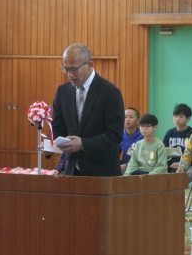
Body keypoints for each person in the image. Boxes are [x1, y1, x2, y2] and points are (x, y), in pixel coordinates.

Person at [52, 43, 125, 176]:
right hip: (72, 171)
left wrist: (83, 144)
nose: (69, 74)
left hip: (102, 173)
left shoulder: (110, 92)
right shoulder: (62, 92)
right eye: (65, 69)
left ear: (90, 65)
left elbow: (115, 136)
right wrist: (55, 144)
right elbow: (58, 127)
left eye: (74, 69)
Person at [163, 103, 192, 172]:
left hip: (187, 164)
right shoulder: (169, 133)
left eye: (181, 117)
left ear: (188, 118)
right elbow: (163, 152)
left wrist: (181, 164)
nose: (177, 119)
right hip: (171, 163)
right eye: (175, 116)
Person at [120, 107, 144, 173]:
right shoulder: (120, 135)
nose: (127, 119)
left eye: (131, 117)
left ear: (138, 121)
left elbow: (142, 159)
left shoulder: (143, 135)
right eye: (125, 117)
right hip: (123, 168)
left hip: (139, 168)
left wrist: (126, 166)